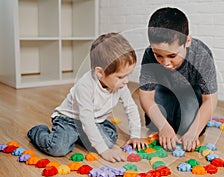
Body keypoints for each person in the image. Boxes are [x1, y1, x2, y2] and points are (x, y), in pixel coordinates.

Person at [28, 32, 147, 162]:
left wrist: (135, 135)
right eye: (121, 76)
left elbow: (131, 108)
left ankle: (80, 136)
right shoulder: (85, 86)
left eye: (128, 75)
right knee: (58, 148)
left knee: (110, 139)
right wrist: (104, 151)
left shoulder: (121, 86)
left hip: (95, 120)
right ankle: (38, 131)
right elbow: (87, 119)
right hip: (69, 120)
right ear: (100, 73)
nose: (126, 81)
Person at [139, 7, 218, 152]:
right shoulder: (149, 54)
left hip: (190, 92)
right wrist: (164, 127)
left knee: (188, 128)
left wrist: (193, 132)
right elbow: (146, 96)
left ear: (187, 41)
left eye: (172, 56)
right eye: (159, 55)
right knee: (155, 127)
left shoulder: (201, 55)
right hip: (164, 90)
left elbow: (210, 99)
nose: (165, 63)